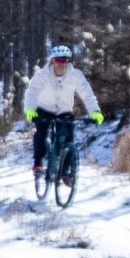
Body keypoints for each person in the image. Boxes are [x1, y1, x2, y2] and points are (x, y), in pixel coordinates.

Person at [22, 45, 103, 178]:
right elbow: (32, 93)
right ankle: (38, 164)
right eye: (58, 61)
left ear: (68, 62)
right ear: (53, 62)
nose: (61, 64)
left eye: (64, 61)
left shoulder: (76, 75)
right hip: (44, 108)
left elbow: (87, 94)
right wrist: (30, 109)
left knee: (68, 139)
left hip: (64, 110)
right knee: (41, 133)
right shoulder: (42, 75)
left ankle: (65, 172)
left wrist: (95, 111)